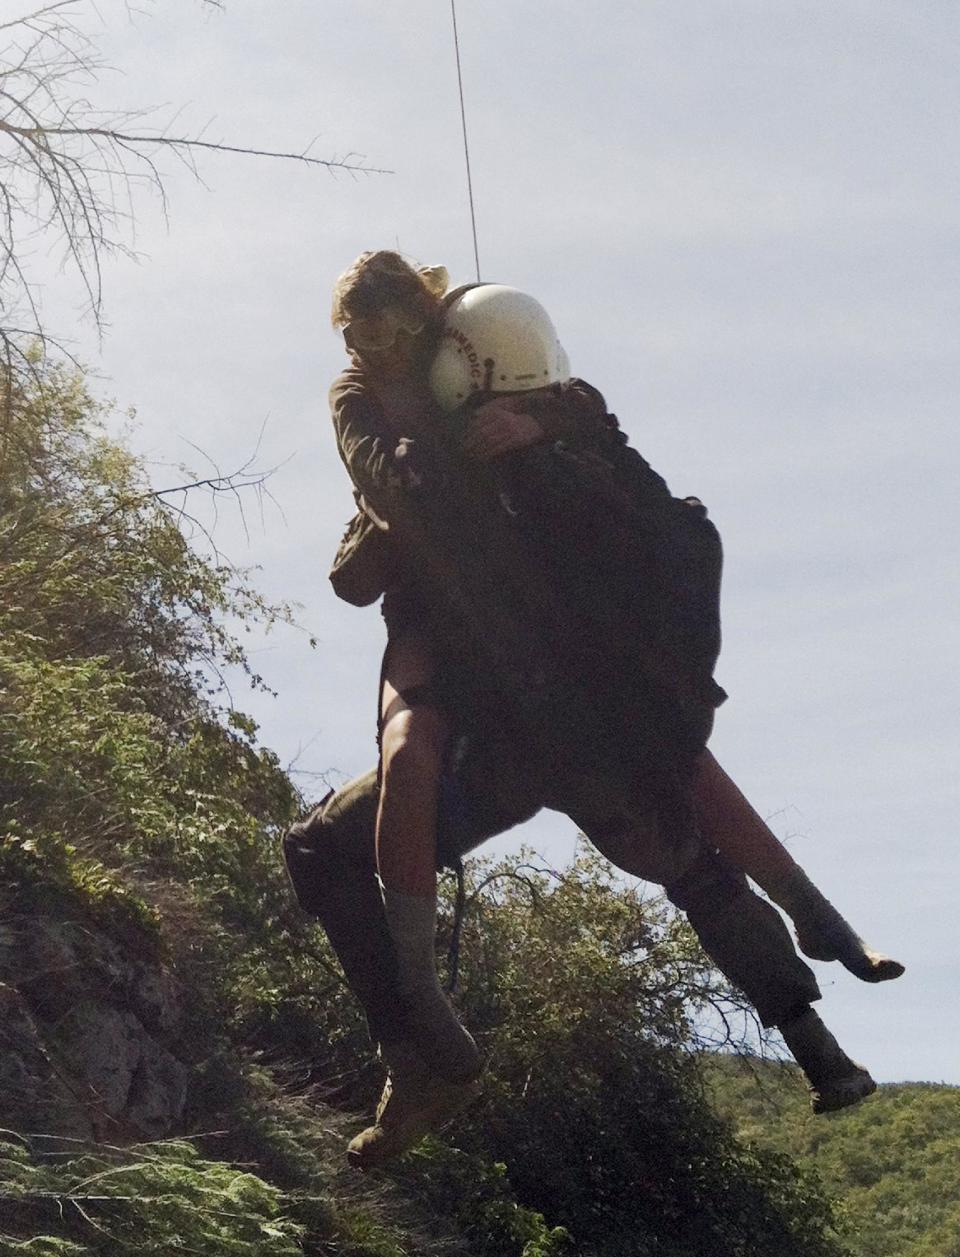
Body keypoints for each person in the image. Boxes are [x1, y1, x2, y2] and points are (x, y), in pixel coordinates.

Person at [311, 252, 898, 1167]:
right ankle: (420, 1044)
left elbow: (587, 413)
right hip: (503, 701)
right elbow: (383, 471)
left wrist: (531, 420)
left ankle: (820, 1032)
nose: (377, 352)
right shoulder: (372, 401)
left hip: (550, 705)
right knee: (380, 809)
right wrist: (435, 463)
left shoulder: (535, 407)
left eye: (394, 334)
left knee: (676, 828)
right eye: (359, 337)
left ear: (435, 334)